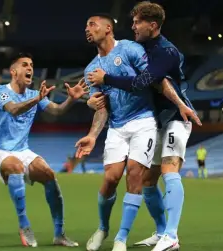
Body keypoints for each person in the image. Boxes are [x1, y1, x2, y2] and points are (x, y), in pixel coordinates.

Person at [87, 2, 202, 251]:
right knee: (148, 182)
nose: (133, 26)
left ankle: (171, 236)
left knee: (170, 170)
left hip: (174, 116)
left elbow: (142, 83)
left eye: (138, 22)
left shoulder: (165, 52)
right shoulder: (138, 48)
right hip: (154, 120)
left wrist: (105, 78)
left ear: (153, 25)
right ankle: (161, 231)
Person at [0, 52, 88, 248]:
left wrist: (71, 100)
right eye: (24, 65)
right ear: (14, 72)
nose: (30, 68)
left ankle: (59, 234)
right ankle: (24, 225)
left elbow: (56, 110)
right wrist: (38, 99)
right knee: (15, 166)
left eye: (31, 65)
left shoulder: (34, 95)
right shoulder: (1, 91)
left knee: (49, 174)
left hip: (22, 150)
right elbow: (14, 109)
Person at [74, 13, 158, 251]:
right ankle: (103, 228)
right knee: (111, 179)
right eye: (86, 26)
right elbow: (101, 108)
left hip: (143, 120)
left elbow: (150, 78)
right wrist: (92, 135)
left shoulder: (130, 49)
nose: (87, 29)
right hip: (117, 126)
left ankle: (121, 237)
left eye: (92, 24)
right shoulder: (92, 68)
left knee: (134, 173)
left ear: (108, 27)